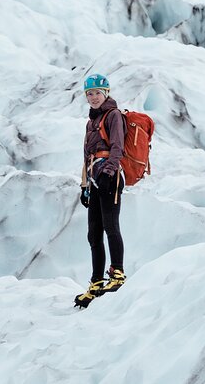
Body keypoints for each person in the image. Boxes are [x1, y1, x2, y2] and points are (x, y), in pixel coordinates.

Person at [74, 74, 127, 308]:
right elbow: (87, 155)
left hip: (110, 176)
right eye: (90, 93)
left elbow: (118, 146)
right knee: (93, 232)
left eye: (97, 92)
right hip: (94, 179)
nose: (94, 97)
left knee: (110, 226)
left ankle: (117, 274)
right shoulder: (90, 122)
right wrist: (84, 186)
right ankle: (96, 281)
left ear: (106, 93)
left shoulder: (113, 115)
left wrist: (108, 173)